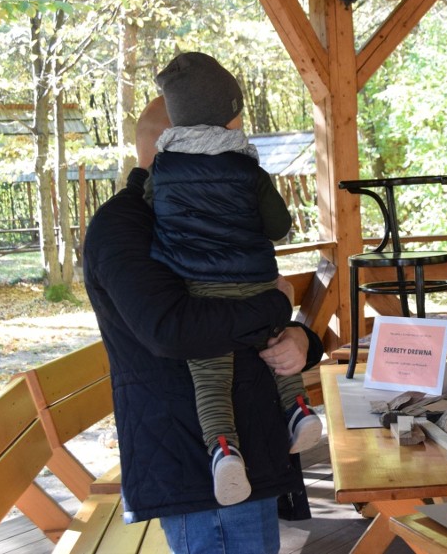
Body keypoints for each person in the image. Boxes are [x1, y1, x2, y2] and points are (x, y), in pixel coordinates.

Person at [83, 96, 324, 553]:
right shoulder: (125, 226)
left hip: (248, 448)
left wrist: (300, 340)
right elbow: (173, 330)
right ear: (175, 142)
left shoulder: (213, 206)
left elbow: (244, 305)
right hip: (195, 462)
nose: (235, 147)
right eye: (226, 135)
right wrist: (276, 305)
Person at [149, 52, 322, 506]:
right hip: (257, 284)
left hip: (200, 292)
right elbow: (278, 226)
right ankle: (300, 411)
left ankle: (225, 453)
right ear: (229, 113)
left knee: (209, 375)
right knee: (278, 349)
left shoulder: (162, 171)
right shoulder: (248, 169)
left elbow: (152, 217)